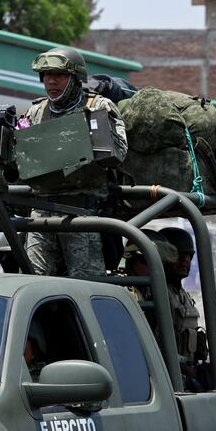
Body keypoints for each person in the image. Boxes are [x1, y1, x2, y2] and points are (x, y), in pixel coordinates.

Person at [19, 47, 128, 278]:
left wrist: (79, 143)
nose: (51, 81)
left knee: (85, 284)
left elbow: (118, 151)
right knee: (32, 280)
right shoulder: (36, 111)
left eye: (58, 75)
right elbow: (22, 156)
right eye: (46, 75)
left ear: (75, 78)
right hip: (42, 211)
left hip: (82, 210)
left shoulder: (98, 106)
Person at [157, 227, 206, 389]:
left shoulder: (182, 295)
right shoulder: (156, 293)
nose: (185, 260)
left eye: (188, 256)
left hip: (187, 374)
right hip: (169, 378)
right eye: (179, 255)